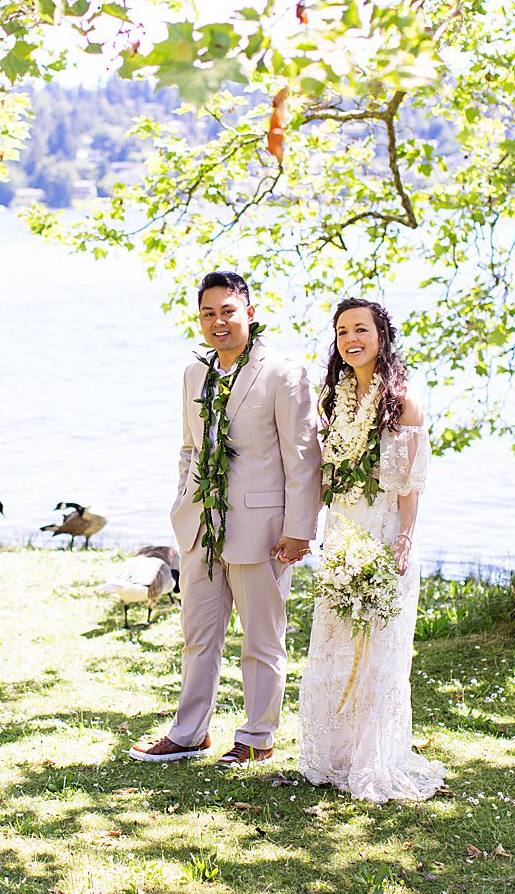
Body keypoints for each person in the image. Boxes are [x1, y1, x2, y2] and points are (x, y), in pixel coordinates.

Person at [129, 271, 322, 766]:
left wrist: (298, 529)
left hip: (261, 532)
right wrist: (182, 502)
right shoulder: (195, 374)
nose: (219, 322)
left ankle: (257, 737)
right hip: (200, 530)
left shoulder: (283, 373)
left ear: (250, 314)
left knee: (261, 639)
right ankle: (189, 733)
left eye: (228, 311)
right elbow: (189, 447)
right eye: (208, 313)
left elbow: (303, 460)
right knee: (198, 635)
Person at [297, 297, 445, 801]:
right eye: (341, 331)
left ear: (381, 336)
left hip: (384, 533)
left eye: (360, 328)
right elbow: (327, 472)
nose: (350, 338)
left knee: (380, 649)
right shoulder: (334, 400)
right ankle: (338, 754)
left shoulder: (402, 402)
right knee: (340, 643)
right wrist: (306, 525)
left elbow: (410, 483)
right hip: (343, 532)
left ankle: (375, 760)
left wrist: (403, 539)